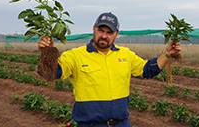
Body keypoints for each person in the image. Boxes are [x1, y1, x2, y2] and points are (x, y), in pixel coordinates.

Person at [38, 12, 181, 127]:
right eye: (101, 30)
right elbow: (51, 73)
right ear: (94, 29)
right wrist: (46, 52)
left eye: (109, 32)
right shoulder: (75, 55)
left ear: (116, 34)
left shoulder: (125, 54)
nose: (104, 36)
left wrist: (167, 54)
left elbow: (147, 69)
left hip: (122, 124)